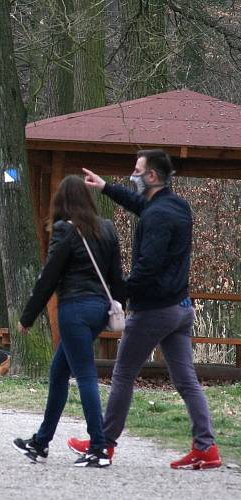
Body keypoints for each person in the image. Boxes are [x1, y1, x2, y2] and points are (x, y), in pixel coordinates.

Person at [68, 150, 223, 469]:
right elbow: (143, 206)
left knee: (123, 374)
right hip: (181, 308)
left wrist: (117, 294)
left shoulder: (158, 215)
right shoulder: (175, 205)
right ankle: (206, 447)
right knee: (187, 380)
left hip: (154, 310)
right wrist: (106, 187)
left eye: (137, 171)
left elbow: (147, 268)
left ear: (151, 176)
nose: (133, 175)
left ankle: (103, 444)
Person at [12, 176, 125, 468]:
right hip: (100, 310)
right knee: (58, 371)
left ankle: (99, 447)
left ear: (62, 201)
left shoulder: (65, 231)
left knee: (85, 375)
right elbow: (117, 279)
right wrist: (121, 307)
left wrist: (28, 316)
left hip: (74, 309)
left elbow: (49, 276)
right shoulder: (108, 230)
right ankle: (41, 442)